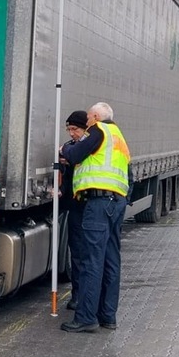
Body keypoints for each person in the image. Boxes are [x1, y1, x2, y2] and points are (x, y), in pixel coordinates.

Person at [59, 102, 131, 333]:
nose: (87, 121)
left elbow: (76, 152)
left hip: (99, 204)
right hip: (116, 202)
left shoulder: (98, 129)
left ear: (96, 116)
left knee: (92, 260)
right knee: (111, 261)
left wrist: (64, 151)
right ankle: (108, 316)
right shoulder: (118, 136)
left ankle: (86, 317)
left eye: (88, 117)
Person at [60, 110, 89, 311]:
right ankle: (76, 295)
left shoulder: (91, 148)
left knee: (87, 255)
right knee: (76, 254)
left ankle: (84, 297)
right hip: (75, 208)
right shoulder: (69, 148)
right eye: (69, 129)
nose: (71, 133)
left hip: (91, 207)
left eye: (75, 129)